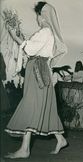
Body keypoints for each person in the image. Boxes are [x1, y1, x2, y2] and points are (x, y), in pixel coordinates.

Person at [4, 2, 68, 158]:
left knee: (31, 104)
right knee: (40, 106)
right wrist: (20, 37)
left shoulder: (46, 31)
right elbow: (32, 47)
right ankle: (60, 139)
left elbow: (31, 48)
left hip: (37, 70)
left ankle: (25, 149)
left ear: (42, 15)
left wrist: (14, 37)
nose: (37, 19)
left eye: (38, 15)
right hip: (38, 69)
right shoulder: (46, 32)